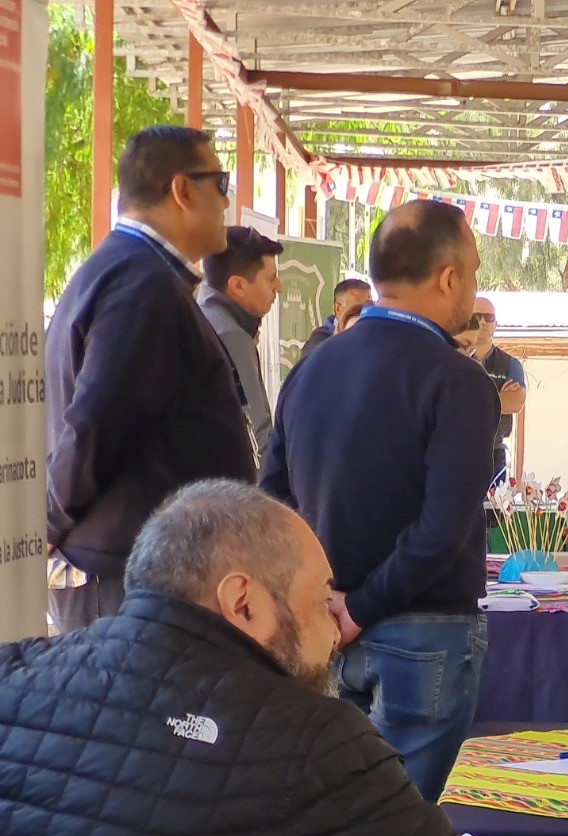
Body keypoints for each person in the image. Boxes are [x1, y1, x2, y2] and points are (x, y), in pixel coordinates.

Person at [0, 480, 514, 836]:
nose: (336, 630)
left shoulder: (15, 672)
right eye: (319, 602)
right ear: (243, 602)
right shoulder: (316, 743)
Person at [261, 199, 499, 802]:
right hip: (421, 634)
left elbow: (271, 507)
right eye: (472, 270)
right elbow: (442, 529)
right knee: (398, 829)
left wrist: (325, 602)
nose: (474, 285)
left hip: (325, 632)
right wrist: (361, 605)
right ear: (449, 279)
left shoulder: (309, 371)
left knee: (339, 820)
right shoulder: (460, 381)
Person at [44, 125, 255, 635]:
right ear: (182, 190)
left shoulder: (134, 271)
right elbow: (96, 423)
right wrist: (46, 524)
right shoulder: (141, 284)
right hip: (122, 578)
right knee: (124, 717)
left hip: (132, 571)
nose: (228, 202)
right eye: (221, 183)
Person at [200, 225, 284, 468]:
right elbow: (258, 436)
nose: (278, 287)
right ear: (237, 285)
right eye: (271, 278)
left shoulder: (201, 317)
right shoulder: (229, 336)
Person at [459, 296, 527, 483]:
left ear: (495, 324)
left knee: (493, 512)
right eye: (477, 316)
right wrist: (498, 398)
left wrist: (468, 401)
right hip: (457, 451)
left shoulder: (510, 364)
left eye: (488, 317)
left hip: (494, 453)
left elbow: (515, 403)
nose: (482, 322)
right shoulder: (453, 359)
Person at [301, 277, 373, 358]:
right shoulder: (318, 344)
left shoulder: (373, 337)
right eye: (356, 310)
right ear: (338, 308)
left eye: (369, 308)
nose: (364, 314)